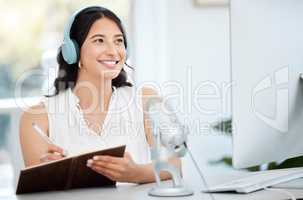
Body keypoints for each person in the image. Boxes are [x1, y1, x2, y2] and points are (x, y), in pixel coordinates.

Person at [19, 6, 181, 184]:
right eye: (99, 41)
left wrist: (136, 173)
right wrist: (50, 174)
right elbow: (36, 189)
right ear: (73, 51)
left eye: (118, 41)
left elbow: (175, 165)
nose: (113, 51)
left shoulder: (145, 100)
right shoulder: (36, 118)